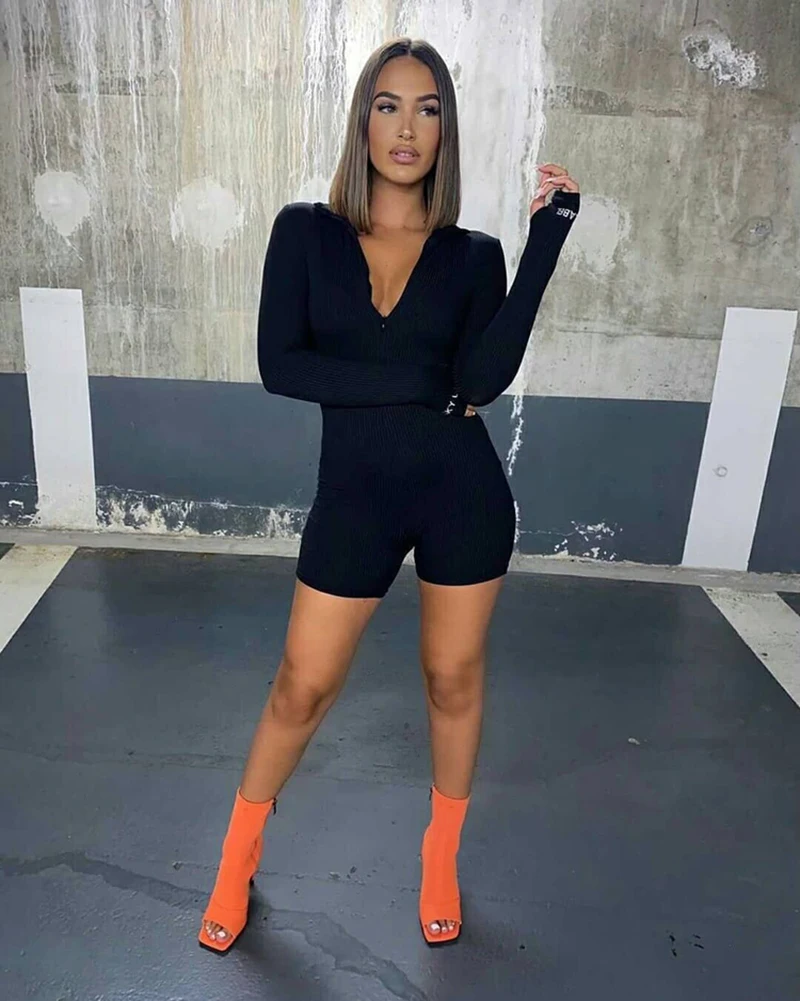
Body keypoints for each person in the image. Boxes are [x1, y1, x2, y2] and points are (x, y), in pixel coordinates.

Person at [198, 36, 580, 954]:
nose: (407, 128)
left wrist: (545, 245)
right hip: (357, 497)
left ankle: (440, 853)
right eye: (389, 105)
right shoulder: (305, 232)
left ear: (445, 130)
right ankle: (236, 857)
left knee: (452, 679)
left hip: (461, 493)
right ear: (362, 121)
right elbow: (282, 365)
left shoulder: (474, 254)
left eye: (428, 109)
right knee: (301, 685)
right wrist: (413, 385)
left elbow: (479, 382)